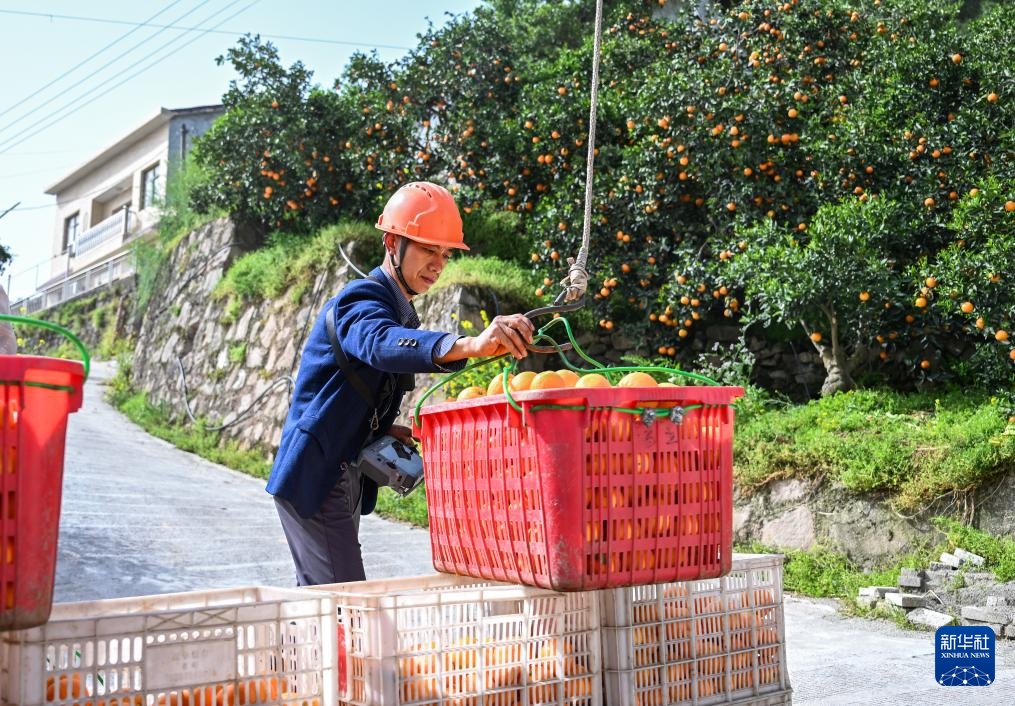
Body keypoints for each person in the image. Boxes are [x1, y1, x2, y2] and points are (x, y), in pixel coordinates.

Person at [266, 181, 535, 586]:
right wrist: (471, 345)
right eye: (429, 249)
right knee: (344, 606)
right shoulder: (361, 300)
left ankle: (298, 652)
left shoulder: (397, 309)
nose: (438, 263)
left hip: (340, 470)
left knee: (322, 604)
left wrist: (378, 428)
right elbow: (380, 344)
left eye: (445, 254)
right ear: (393, 242)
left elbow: (365, 374)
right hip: (318, 476)